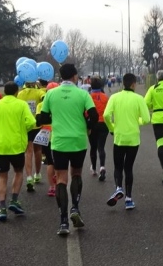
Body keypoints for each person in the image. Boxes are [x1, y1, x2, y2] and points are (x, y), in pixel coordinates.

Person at [37, 63, 99, 236]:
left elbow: (44, 117)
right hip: (78, 140)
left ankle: (63, 221)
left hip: (59, 142)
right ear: (74, 76)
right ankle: (75, 208)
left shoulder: (51, 94)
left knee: (61, 179)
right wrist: (88, 126)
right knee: (76, 174)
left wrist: (56, 117)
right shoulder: (83, 94)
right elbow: (94, 116)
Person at [0, 81, 37, 222]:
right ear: (16, 92)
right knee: (18, 172)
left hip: (0, 145)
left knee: (2, 177)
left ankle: (2, 208)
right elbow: (31, 122)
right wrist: (22, 130)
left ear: (4, 91)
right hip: (17, 145)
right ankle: (14, 200)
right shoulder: (22, 105)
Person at [103, 73, 151, 210]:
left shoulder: (114, 97)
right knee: (128, 168)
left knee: (118, 167)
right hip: (133, 139)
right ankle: (128, 199)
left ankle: (119, 187)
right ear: (134, 84)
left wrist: (112, 128)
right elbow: (146, 119)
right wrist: (137, 121)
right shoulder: (139, 98)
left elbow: (106, 115)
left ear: (123, 83)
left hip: (119, 137)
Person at [17, 80, 46, 192]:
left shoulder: (20, 93)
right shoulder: (39, 92)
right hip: (37, 125)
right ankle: (37, 174)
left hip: (25, 126)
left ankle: (29, 177)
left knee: (28, 152)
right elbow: (45, 98)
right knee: (38, 151)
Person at [36, 81, 60, 196]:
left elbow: (38, 121)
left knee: (50, 161)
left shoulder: (41, 105)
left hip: (46, 134)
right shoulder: (61, 103)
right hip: (59, 134)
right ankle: (59, 183)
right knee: (60, 161)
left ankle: (51, 187)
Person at [88, 77, 109, 181]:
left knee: (93, 147)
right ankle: (102, 167)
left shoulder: (89, 97)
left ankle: (94, 168)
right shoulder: (105, 97)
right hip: (103, 124)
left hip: (93, 124)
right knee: (101, 147)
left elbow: (86, 112)